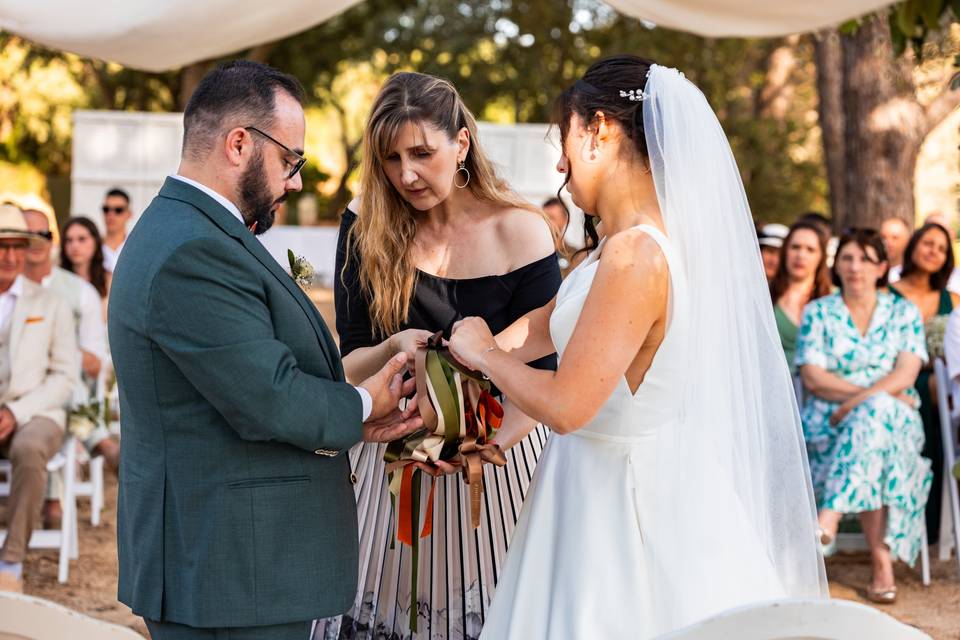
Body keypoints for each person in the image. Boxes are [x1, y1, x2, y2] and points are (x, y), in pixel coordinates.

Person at [449, 56, 826, 639]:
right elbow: (548, 325)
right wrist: (454, 366)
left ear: (599, 130)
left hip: (619, 499)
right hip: (590, 480)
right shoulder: (611, 249)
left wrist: (484, 357)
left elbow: (571, 406)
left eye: (565, 139)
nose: (559, 162)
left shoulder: (636, 256)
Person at [107, 60, 423, 640]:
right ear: (238, 144)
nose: (295, 181)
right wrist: (361, 404)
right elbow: (267, 397)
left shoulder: (194, 230)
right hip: (229, 569)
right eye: (290, 160)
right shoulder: (191, 250)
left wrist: (353, 420)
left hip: (231, 562)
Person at [323, 71, 560, 640]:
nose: (405, 174)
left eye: (422, 153)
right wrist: (393, 347)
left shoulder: (522, 232)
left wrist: (483, 450)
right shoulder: (366, 225)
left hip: (500, 471)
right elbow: (348, 363)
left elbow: (545, 378)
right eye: (390, 158)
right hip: (384, 472)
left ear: (462, 144)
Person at [797, 228, 931, 604]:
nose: (854, 267)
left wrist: (857, 403)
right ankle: (881, 562)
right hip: (831, 423)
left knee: (873, 420)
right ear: (837, 265)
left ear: (882, 267)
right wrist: (870, 399)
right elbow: (812, 376)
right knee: (875, 422)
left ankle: (831, 517)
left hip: (888, 425)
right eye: (847, 258)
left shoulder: (903, 312)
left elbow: (907, 372)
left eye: (865, 260)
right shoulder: (819, 312)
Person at [22, 207, 118, 528]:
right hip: (17, 388)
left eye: (43, 235)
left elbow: (93, 362)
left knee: (60, 383)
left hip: (62, 388)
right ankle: (97, 439)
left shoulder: (81, 293)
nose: (35, 242)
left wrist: (57, 349)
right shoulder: (9, 287)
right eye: (27, 234)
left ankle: (53, 496)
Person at [0, 203, 77, 593]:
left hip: (37, 411)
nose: (10, 256)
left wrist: (15, 411)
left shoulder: (51, 304)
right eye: (1, 247)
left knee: (30, 449)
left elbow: (65, 376)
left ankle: (10, 563)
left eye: (17, 246)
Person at [888, 222, 960, 544]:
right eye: (928, 243)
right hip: (893, 377)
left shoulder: (952, 300)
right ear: (914, 245)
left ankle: (936, 521)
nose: (934, 251)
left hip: (940, 380)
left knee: (940, 388)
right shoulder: (886, 293)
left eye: (942, 248)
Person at [769, 220, 832, 373]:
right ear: (785, 252)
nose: (801, 255)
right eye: (795, 247)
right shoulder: (765, 295)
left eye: (810, 250)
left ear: (821, 257)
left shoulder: (833, 300)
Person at [60, 217, 110, 318]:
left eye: (82, 239)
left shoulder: (110, 281)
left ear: (95, 241)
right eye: (69, 240)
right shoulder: (56, 279)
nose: (75, 246)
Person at [100, 187, 132, 273]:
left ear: (129, 214)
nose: (111, 214)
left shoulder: (136, 247)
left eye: (118, 210)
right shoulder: (93, 246)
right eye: (106, 209)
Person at [881, 216, 911, 283]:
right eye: (883, 237)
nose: (888, 243)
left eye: (895, 238)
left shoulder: (912, 274)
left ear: (907, 241)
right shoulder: (872, 271)